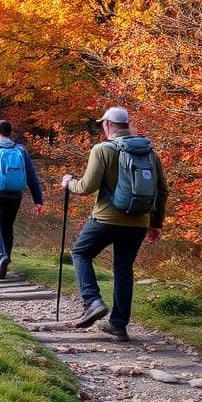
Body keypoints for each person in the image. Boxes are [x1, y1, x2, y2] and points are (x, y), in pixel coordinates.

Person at [62, 107, 169, 341]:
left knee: (80, 252)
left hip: (107, 219)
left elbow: (87, 187)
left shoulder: (102, 150)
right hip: (140, 221)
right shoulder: (149, 151)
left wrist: (69, 183)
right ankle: (118, 326)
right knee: (123, 269)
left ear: (107, 125)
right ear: (127, 125)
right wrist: (156, 223)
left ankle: (92, 301)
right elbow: (162, 190)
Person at [0, 120, 45, 279]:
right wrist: (38, 200)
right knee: (7, 227)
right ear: (10, 132)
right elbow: (32, 176)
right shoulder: (21, 150)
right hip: (14, 196)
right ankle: (4, 258)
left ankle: (0, 256)